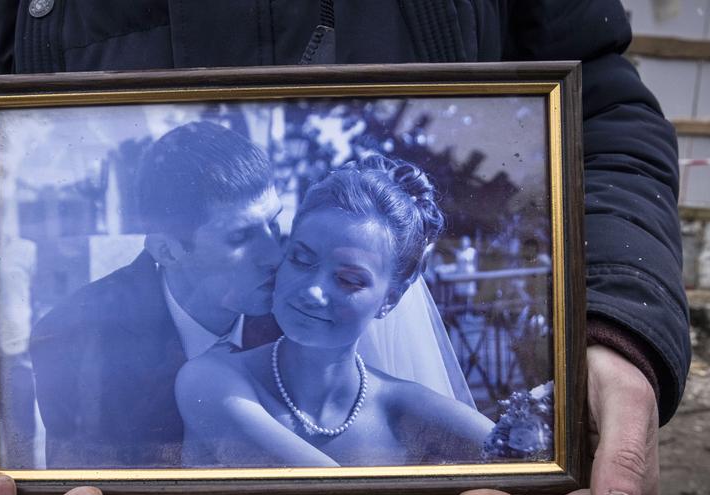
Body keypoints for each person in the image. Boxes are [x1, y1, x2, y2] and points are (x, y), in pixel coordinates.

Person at [0, 1, 689, 495]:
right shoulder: (121, 347)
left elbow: (600, 111)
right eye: (264, 245)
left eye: (277, 231)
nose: (287, 268)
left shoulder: (383, 383)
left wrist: (612, 330)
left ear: (390, 296)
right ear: (166, 245)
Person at [177, 156, 493, 468]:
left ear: (391, 299)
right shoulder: (210, 380)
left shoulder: (404, 405)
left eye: (348, 280)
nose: (313, 291)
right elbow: (322, 489)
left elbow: (526, 465)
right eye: (301, 260)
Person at [28, 120, 285, 468]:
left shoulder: (301, 313)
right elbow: (87, 491)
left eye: (275, 223)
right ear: (166, 251)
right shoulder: (74, 337)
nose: (276, 256)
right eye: (241, 237)